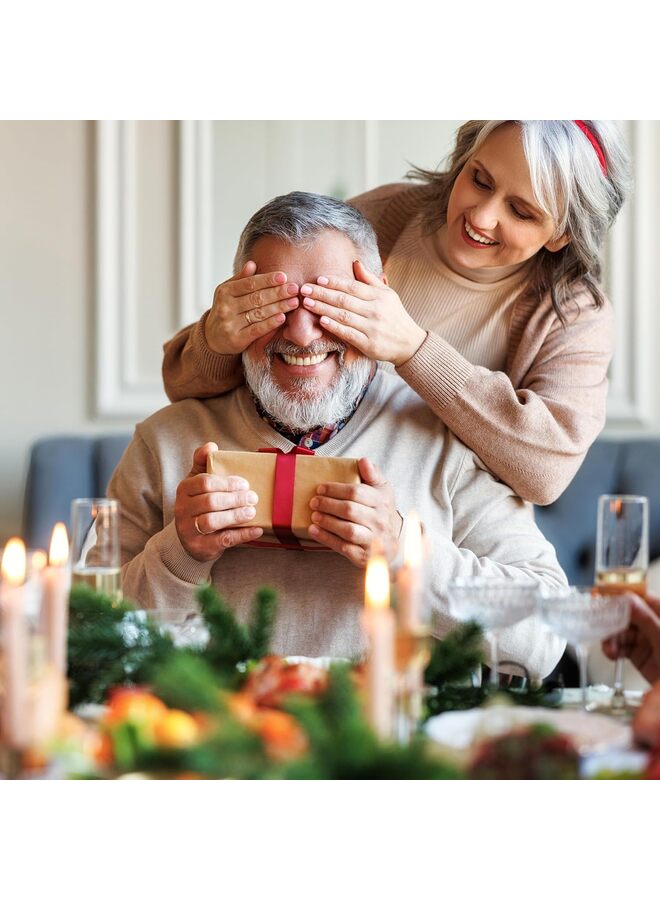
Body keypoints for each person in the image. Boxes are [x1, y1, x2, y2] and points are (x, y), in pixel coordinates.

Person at [108, 192, 566, 679]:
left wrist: (405, 554)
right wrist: (179, 552)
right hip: (214, 742)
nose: (302, 335)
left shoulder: (447, 438)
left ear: (378, 302)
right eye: (273, 303)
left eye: (332, 303)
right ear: (233, 306)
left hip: (400, 745)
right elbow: (86, 637)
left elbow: (545, 640)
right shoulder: (163, 442)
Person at [160, 120, 632, 505]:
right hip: (321, 502)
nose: (482, 217)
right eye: (479, 179)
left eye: (521, 211)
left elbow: (546, 474)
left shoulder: (575, 316)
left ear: (561, 234)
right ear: (463, 160)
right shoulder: (382, 219)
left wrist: (413, 350)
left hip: (453, 533)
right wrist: (215, 339)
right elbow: (181, 382)